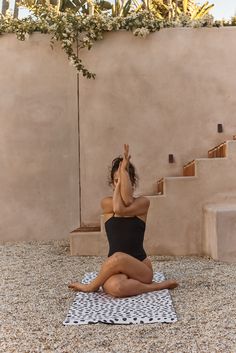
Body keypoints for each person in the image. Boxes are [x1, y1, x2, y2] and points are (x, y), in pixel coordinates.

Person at [68, 144, 178, 297]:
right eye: (115, 181)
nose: (117, 184)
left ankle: (91, 287)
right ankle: (155, 287)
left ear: (132, 181)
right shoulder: (106, 203)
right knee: (116, 288)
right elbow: (118, 206)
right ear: (111, 183)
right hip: (115, 267)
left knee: (118, 256)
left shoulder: (143, 203)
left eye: (122, 179)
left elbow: (124, 204)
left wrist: (123, 172)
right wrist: (122, 176)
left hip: (141, 268)